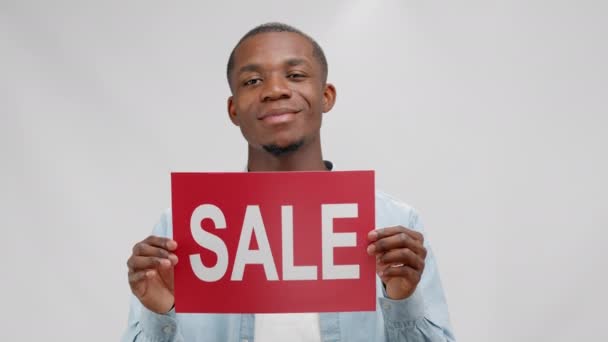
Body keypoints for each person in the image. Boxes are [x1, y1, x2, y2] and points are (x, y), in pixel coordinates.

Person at [122, 22, 455, 342]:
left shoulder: (392, 224)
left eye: (295, 75)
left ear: (326, 96)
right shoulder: (181, 230)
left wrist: (401, 303)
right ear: (233, 109)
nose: (275, 90)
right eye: (252, 81)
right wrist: (160, 313)